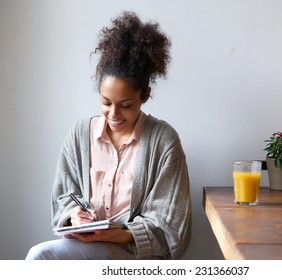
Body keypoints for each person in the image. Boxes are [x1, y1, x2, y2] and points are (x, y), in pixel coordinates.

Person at [26, 11, 191, 260]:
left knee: (42, 257)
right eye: (105, 102)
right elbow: (63, 196)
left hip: (134, 253)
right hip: (88, 246)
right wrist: (75, 215)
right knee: (40, 256)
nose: (113, 114)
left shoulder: (164, 141)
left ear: (144, 96)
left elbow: (171, 223)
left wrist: (120, 234)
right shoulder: (79, 136)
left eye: (125, 105)